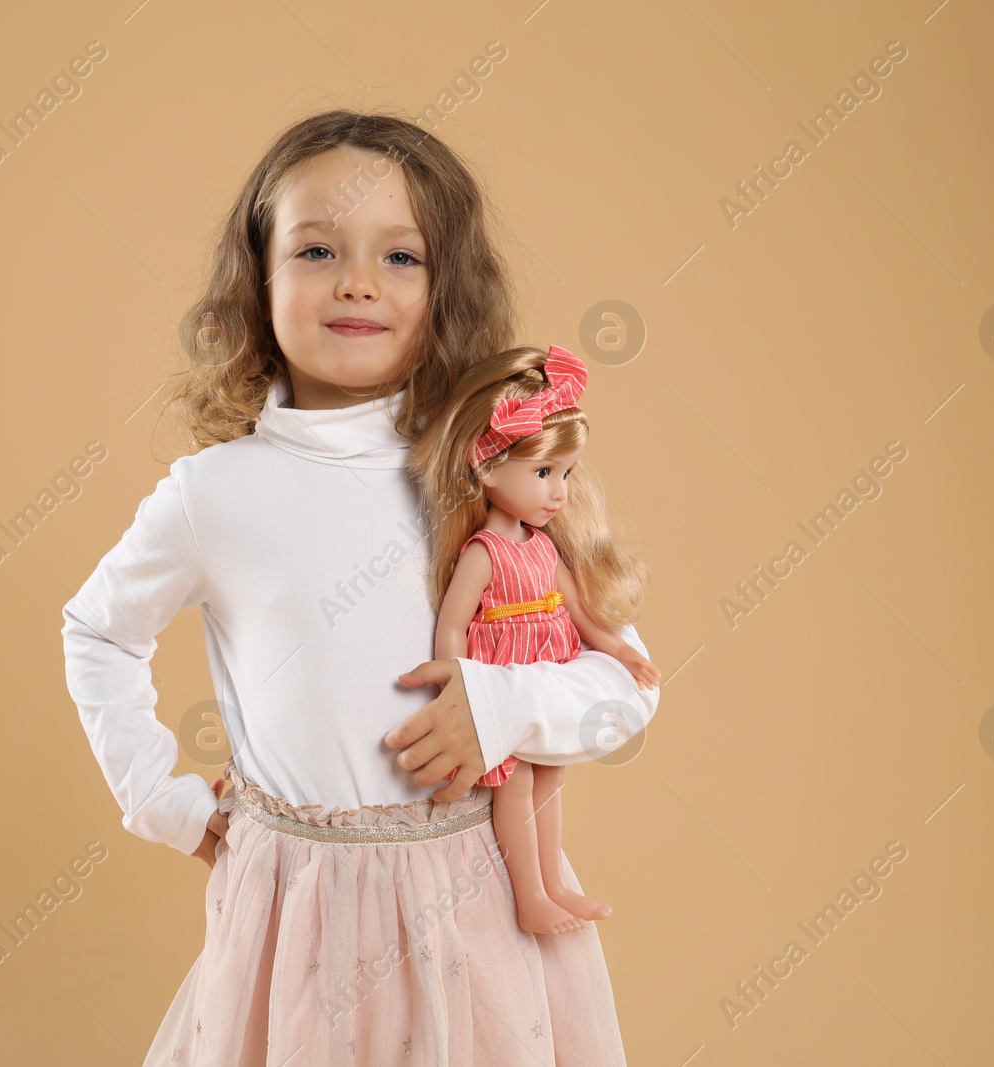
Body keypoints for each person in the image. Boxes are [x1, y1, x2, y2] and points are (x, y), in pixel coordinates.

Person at [60, 108, 659, 1065]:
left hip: (481, 911)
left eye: (400, 257)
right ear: (257, 281)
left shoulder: (487, 471)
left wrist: (499, 708)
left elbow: (631, 688)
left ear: (449, 289)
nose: (355, 281)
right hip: (293, 927)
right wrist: (166, 802)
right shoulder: (217, 493)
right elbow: (98, 631)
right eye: (315, 249)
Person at [414, 343, 661, 938]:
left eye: (566, 474)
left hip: (543, 674)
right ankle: (530, 895)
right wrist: (464, 691)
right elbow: (452, 624)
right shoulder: (482, 552)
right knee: (516, 786)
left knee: (551, 777)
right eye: (544, 474)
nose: (560, 493)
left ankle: (555, 885)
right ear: (487, 467)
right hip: (500, 679)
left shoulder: (544, 546)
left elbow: (578, 611)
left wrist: (622, 650)